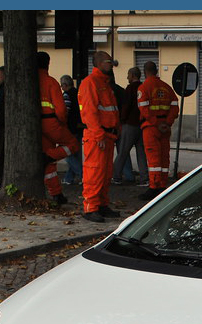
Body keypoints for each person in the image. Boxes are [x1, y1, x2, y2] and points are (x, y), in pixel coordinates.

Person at [78, 50, 121, 222]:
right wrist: (98, 135)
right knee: (94, 172)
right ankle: (91, 208)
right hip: (98, 135)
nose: (111, 65)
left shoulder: (104, 84)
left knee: (105, 173)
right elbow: (89, 112)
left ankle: (101, 205)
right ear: (99, 63)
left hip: (106, 135)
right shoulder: (91, 83)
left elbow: (109, 110)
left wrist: (116, 128)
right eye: (109, 62)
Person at [36, 51, 80, 206]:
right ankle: (48, 157)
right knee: (73, 145)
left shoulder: (29, 81)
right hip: (52, 123)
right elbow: (61, 110)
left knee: (49, 166)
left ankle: (56, 194)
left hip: (36, 126)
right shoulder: (51, 82)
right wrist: (62, 122)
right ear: (48, 63)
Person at [136, 60, 179, 200]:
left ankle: (154, 187)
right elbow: (174, 107)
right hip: (165, 127)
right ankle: (163, 185)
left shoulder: (144, 88)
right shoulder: (167, 87)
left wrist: (156, 123)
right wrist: (167, 122)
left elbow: (143, 109)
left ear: (145, 72)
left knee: (153, 158)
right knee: (164, 157)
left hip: (151, 127)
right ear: (156, 71)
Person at [112, 66, 148, 186]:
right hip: (142, 125)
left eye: (128, 75)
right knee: (141, 153)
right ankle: (144, 178)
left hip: (130, 124)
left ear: (132, 76)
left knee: (122, 152)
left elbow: (126, 106)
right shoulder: (144, 88)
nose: (127, 77)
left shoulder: (130, 88)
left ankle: (116, 176)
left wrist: (122, 121)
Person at [60, 74, 84, 185]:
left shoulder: (66, 95)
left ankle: (82, 174)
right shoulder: (78, 93)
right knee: (76, 153)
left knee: (68, 153)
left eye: (62, 85)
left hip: (70, 128)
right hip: (79, 126)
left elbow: (66, 112)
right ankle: (69, 178)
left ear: (65, 85)